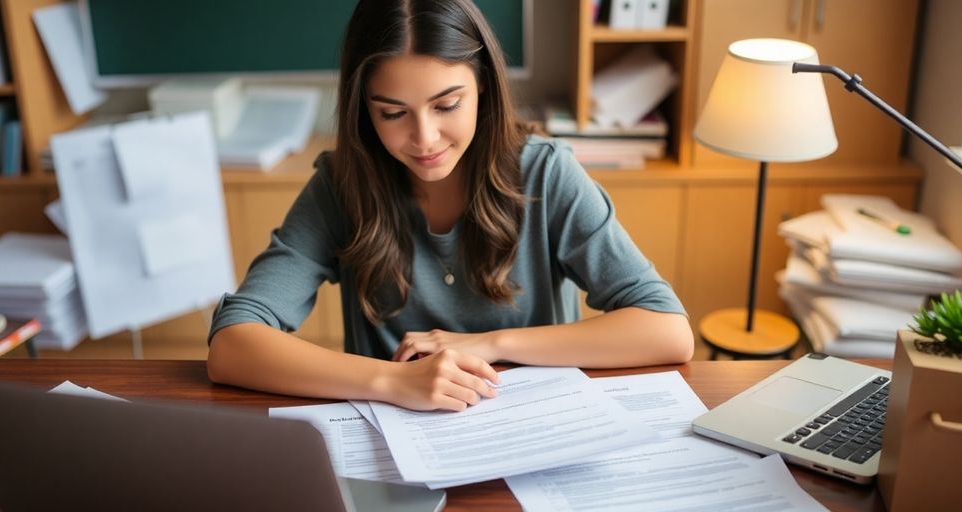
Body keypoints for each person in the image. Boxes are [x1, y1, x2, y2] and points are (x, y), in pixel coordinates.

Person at [207, 0, 693, 412]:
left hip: (533, 430)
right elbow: (232, 345)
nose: (424, 139)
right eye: (392, 113)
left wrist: (491, 344)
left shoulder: (545, 171)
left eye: (446, 105)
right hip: (397, 446)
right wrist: (393, 382)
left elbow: (667, 330)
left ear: (482, 86)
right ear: (364, 109)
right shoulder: (341, 185)